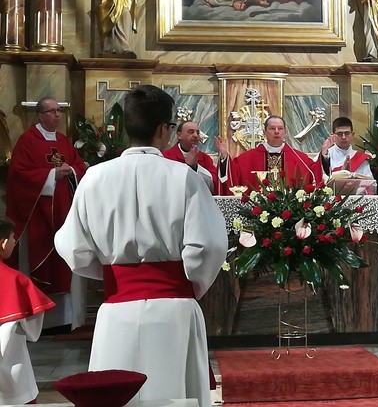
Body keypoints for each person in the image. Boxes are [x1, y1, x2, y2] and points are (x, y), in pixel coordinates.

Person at [54, 85, 227, 407]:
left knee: (116, 398)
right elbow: (208, 247)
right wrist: (185, 284)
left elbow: (73, 247)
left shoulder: (94, 177)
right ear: (165, 129)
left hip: (116, 313)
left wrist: (115, 274)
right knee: (176, 396)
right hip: (174, 310)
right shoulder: (183, 177)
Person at [6, 97, 87, 330]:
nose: (57, 115)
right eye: (51, 112)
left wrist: (69, 170)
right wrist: (51, 175)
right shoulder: (27, 141)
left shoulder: (63, 140)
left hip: (64, 213)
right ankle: (38, 322)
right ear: (39, 115)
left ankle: (65, 319)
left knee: (64, 263)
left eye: (59, 111)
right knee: (42, 263)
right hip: (38, 217)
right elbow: (19, 174)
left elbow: (79, 166)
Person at [0, 217, 55, 405]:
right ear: (4, 243)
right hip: (11, 366)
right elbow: (33, 331)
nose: (15, 242)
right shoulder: (15, 280)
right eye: (14, 238)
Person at [229, 115, 322, 189]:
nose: (277, 132)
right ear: (264, 133)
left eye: (280, 128)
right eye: (272, 128)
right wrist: (224, 157)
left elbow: (314, 172)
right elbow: (232, 171)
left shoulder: (299, 158)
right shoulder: (248, 158)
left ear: (285, 132)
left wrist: (324, 154)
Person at [163, 121, 231, 195]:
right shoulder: (166, 156)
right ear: (179, 135)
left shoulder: (205, 158)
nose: (195, 135)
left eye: (197, 132)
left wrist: (195, 167)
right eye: (191, 132)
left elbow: (215, 183)